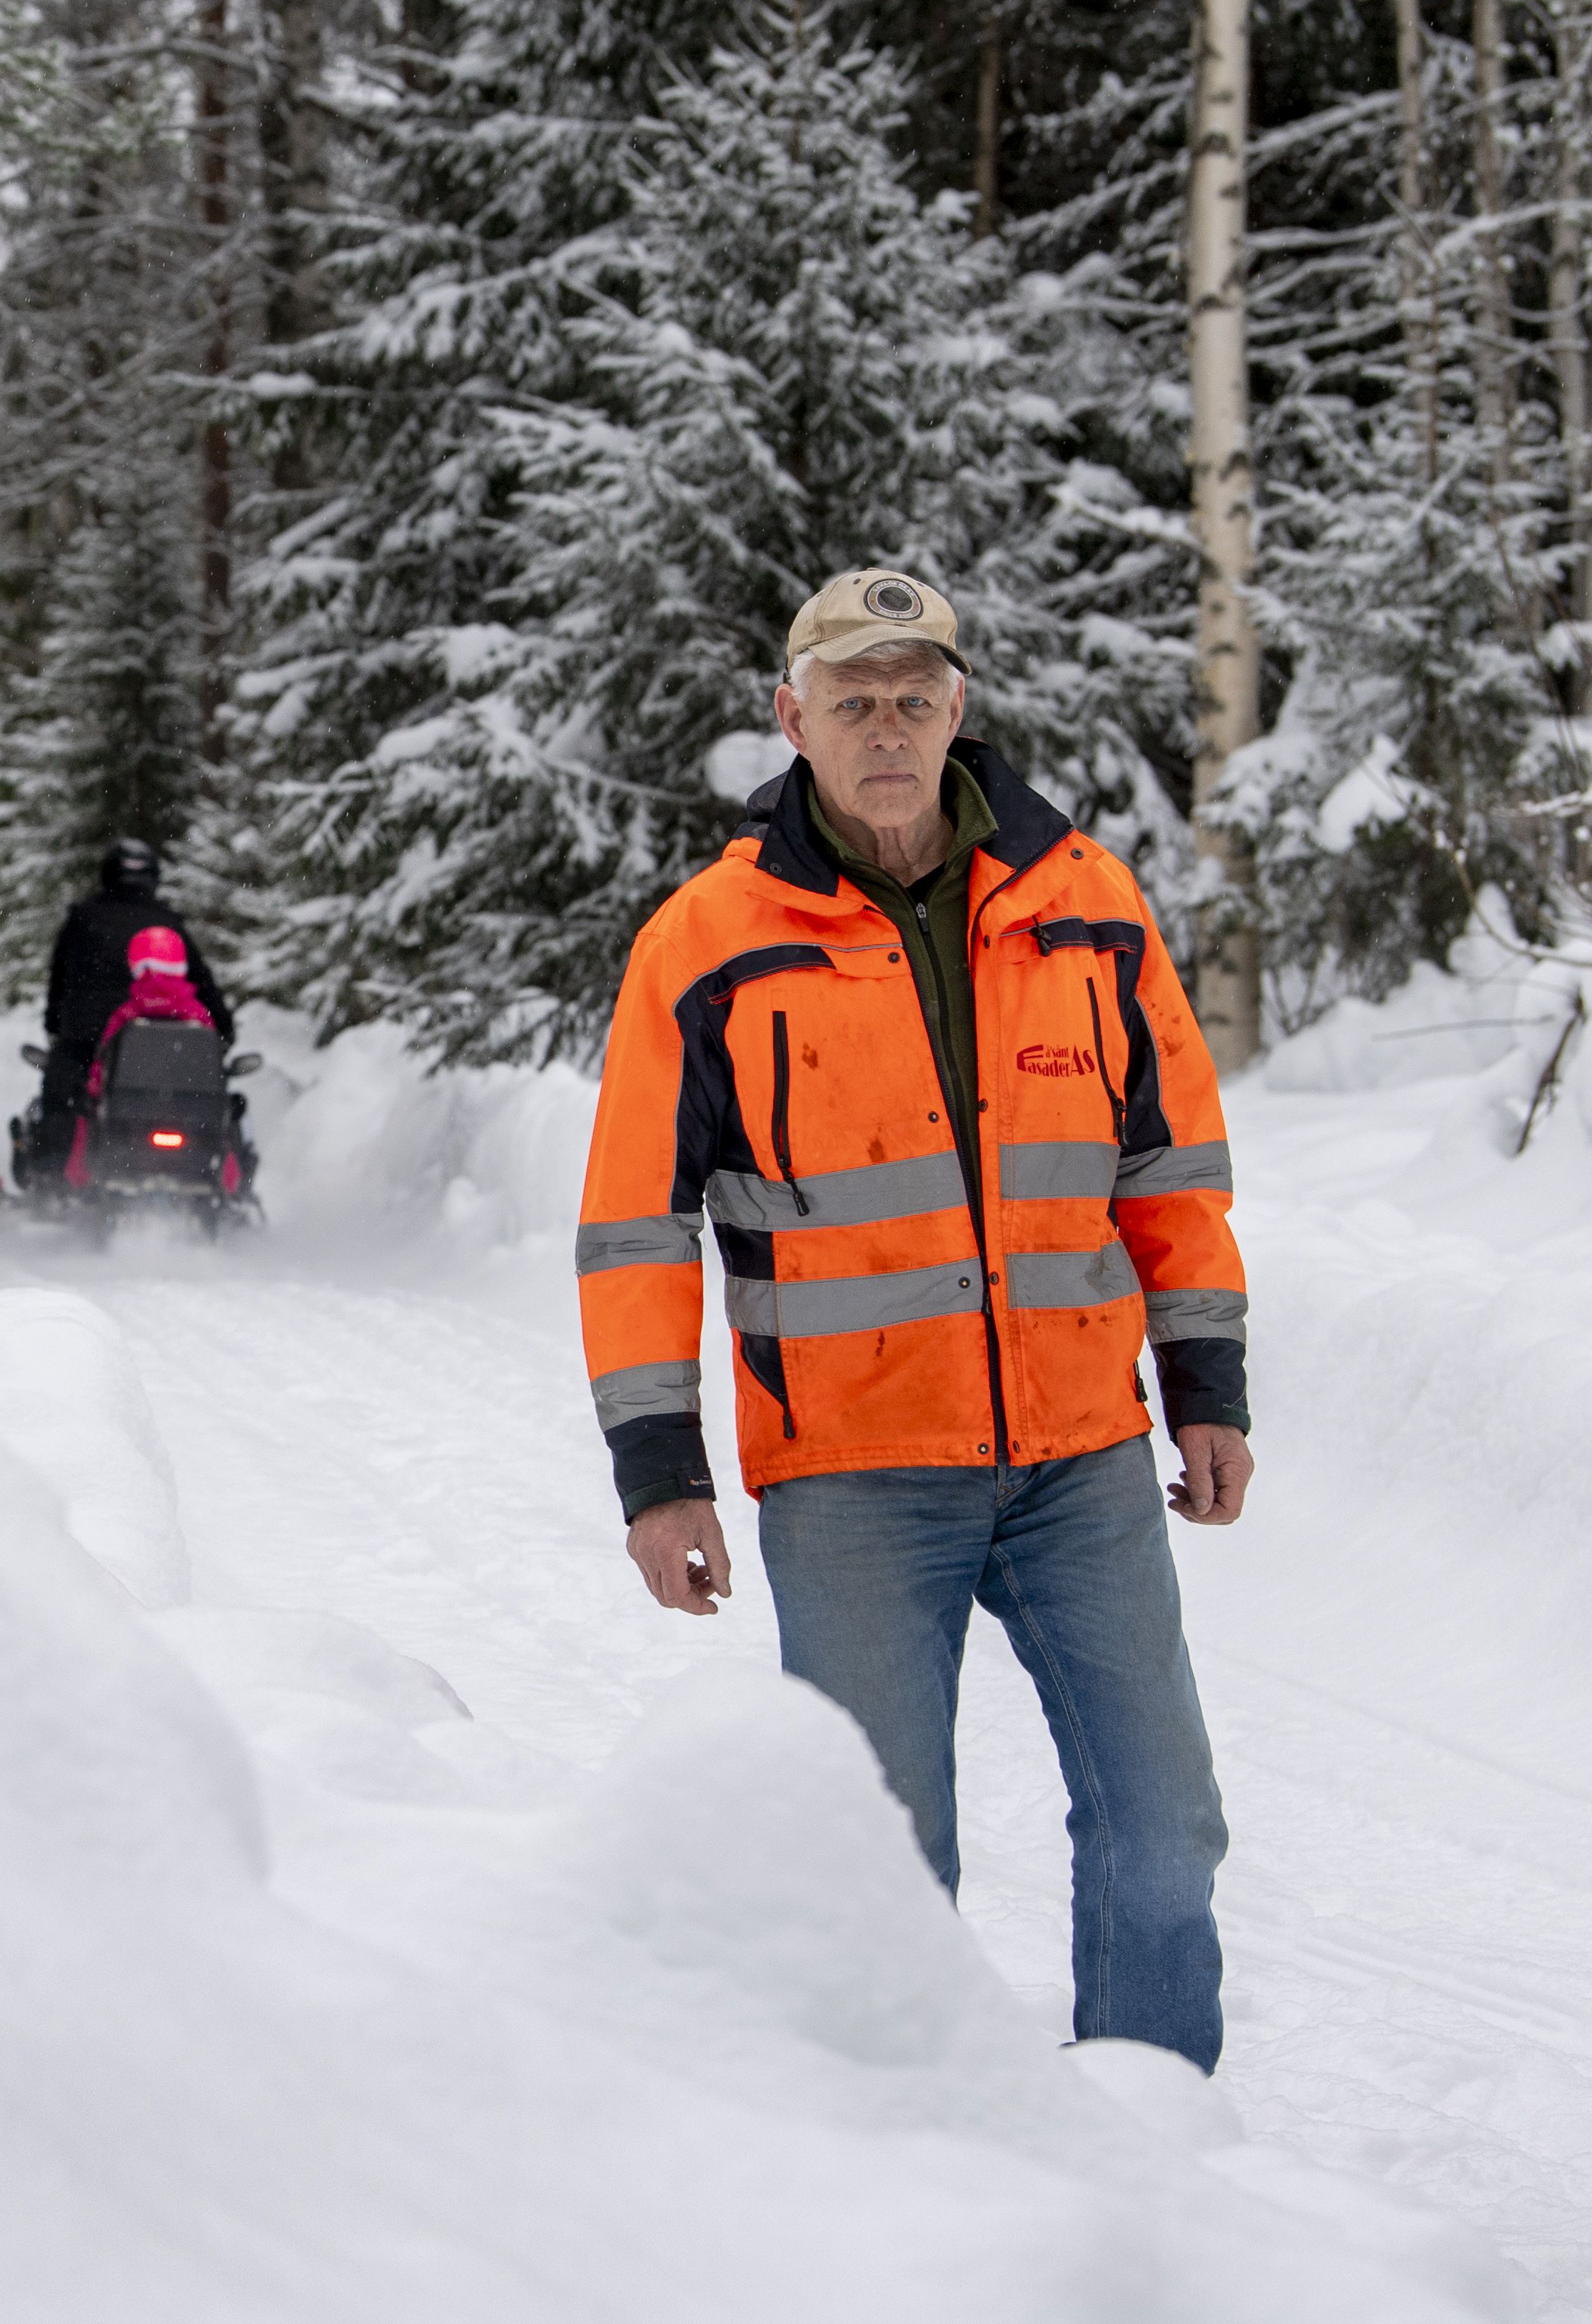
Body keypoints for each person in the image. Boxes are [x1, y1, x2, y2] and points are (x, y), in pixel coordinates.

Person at [573, 568, 1256, 2071]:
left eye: (916, 695)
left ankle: (1158, 2178)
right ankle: (911, 2195)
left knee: (1163, 1828)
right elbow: (634, 1224)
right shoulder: (706, 940)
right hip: (855, 1475)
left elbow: (1170, 1167)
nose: (888, 728)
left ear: (960, 706)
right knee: (884, 1868)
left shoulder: (1087, 900)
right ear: (791, 715)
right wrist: (660, 1473)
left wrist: (1206, 1378)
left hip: (1084, 1459)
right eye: (854, 698)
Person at [21, 840, 232, 1186]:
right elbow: (203, 984)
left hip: (87, 1039)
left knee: (62, 1101)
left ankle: (54, 1182)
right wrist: (221, 1030)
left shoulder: (83, 918)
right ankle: (221, 1182)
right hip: (157, 1049)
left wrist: (57, 1024)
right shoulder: (168, 925)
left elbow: (59, 980)